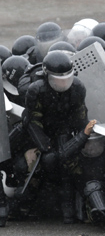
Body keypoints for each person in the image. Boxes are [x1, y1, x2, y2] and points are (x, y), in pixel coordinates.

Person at [21, 50, 88, 223]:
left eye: (66, 78)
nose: (63, 83)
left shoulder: (78, 88)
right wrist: (45, 146)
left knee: (68, 166)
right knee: (43, 163)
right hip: (40, 132)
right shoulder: (36, 90)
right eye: (58, 79)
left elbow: (81, 117)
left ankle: (70, 211)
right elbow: (32, 121)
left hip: (63, 130)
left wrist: (82, 138)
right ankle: (22, 208)